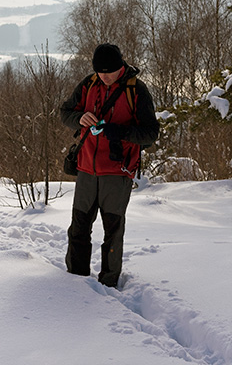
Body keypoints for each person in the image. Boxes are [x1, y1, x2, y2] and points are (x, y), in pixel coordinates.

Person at [60, 43, 159, 287]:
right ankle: (76, 279)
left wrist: (119, 132)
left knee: (112, 231)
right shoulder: (89, 83)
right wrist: (79, 118)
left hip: (117, 172)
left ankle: (109, 282)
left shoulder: (136, 90)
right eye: (99, 71)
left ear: (120, 66)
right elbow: (65, 112)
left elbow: (150, 133)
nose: (104, 76)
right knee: (79, 228)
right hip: (86, 168)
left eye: (109, 72)